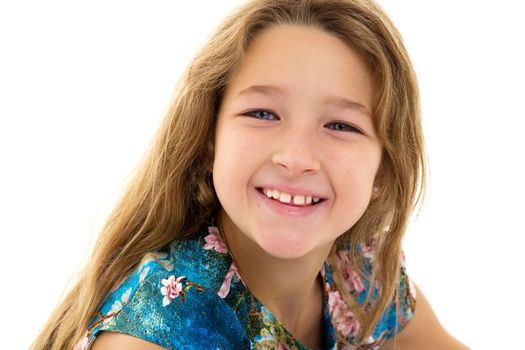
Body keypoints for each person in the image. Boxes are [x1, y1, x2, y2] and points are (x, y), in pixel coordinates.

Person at [32, 0, 469, 349]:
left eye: (341, 125)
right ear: (207, 140)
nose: (297, 158)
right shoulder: (162, 329)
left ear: (385, 169)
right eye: (262, 113)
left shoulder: (360, 272)